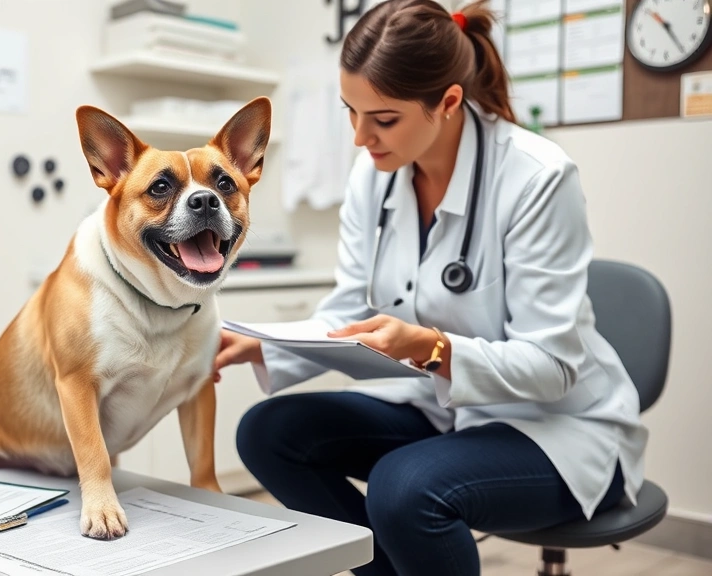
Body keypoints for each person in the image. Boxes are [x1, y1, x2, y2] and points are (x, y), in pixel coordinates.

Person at [214, 1, 648, 575]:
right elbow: (351, 304)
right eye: (350, 112)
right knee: (269, 433)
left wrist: (431, 347)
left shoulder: (538, 177)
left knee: (403, 489)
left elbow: (554, 366)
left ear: (447, 102)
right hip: (446, 412)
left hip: (561, 426)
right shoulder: (376, 174)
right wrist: (267, 345)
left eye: (384, 119)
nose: (360, 138)